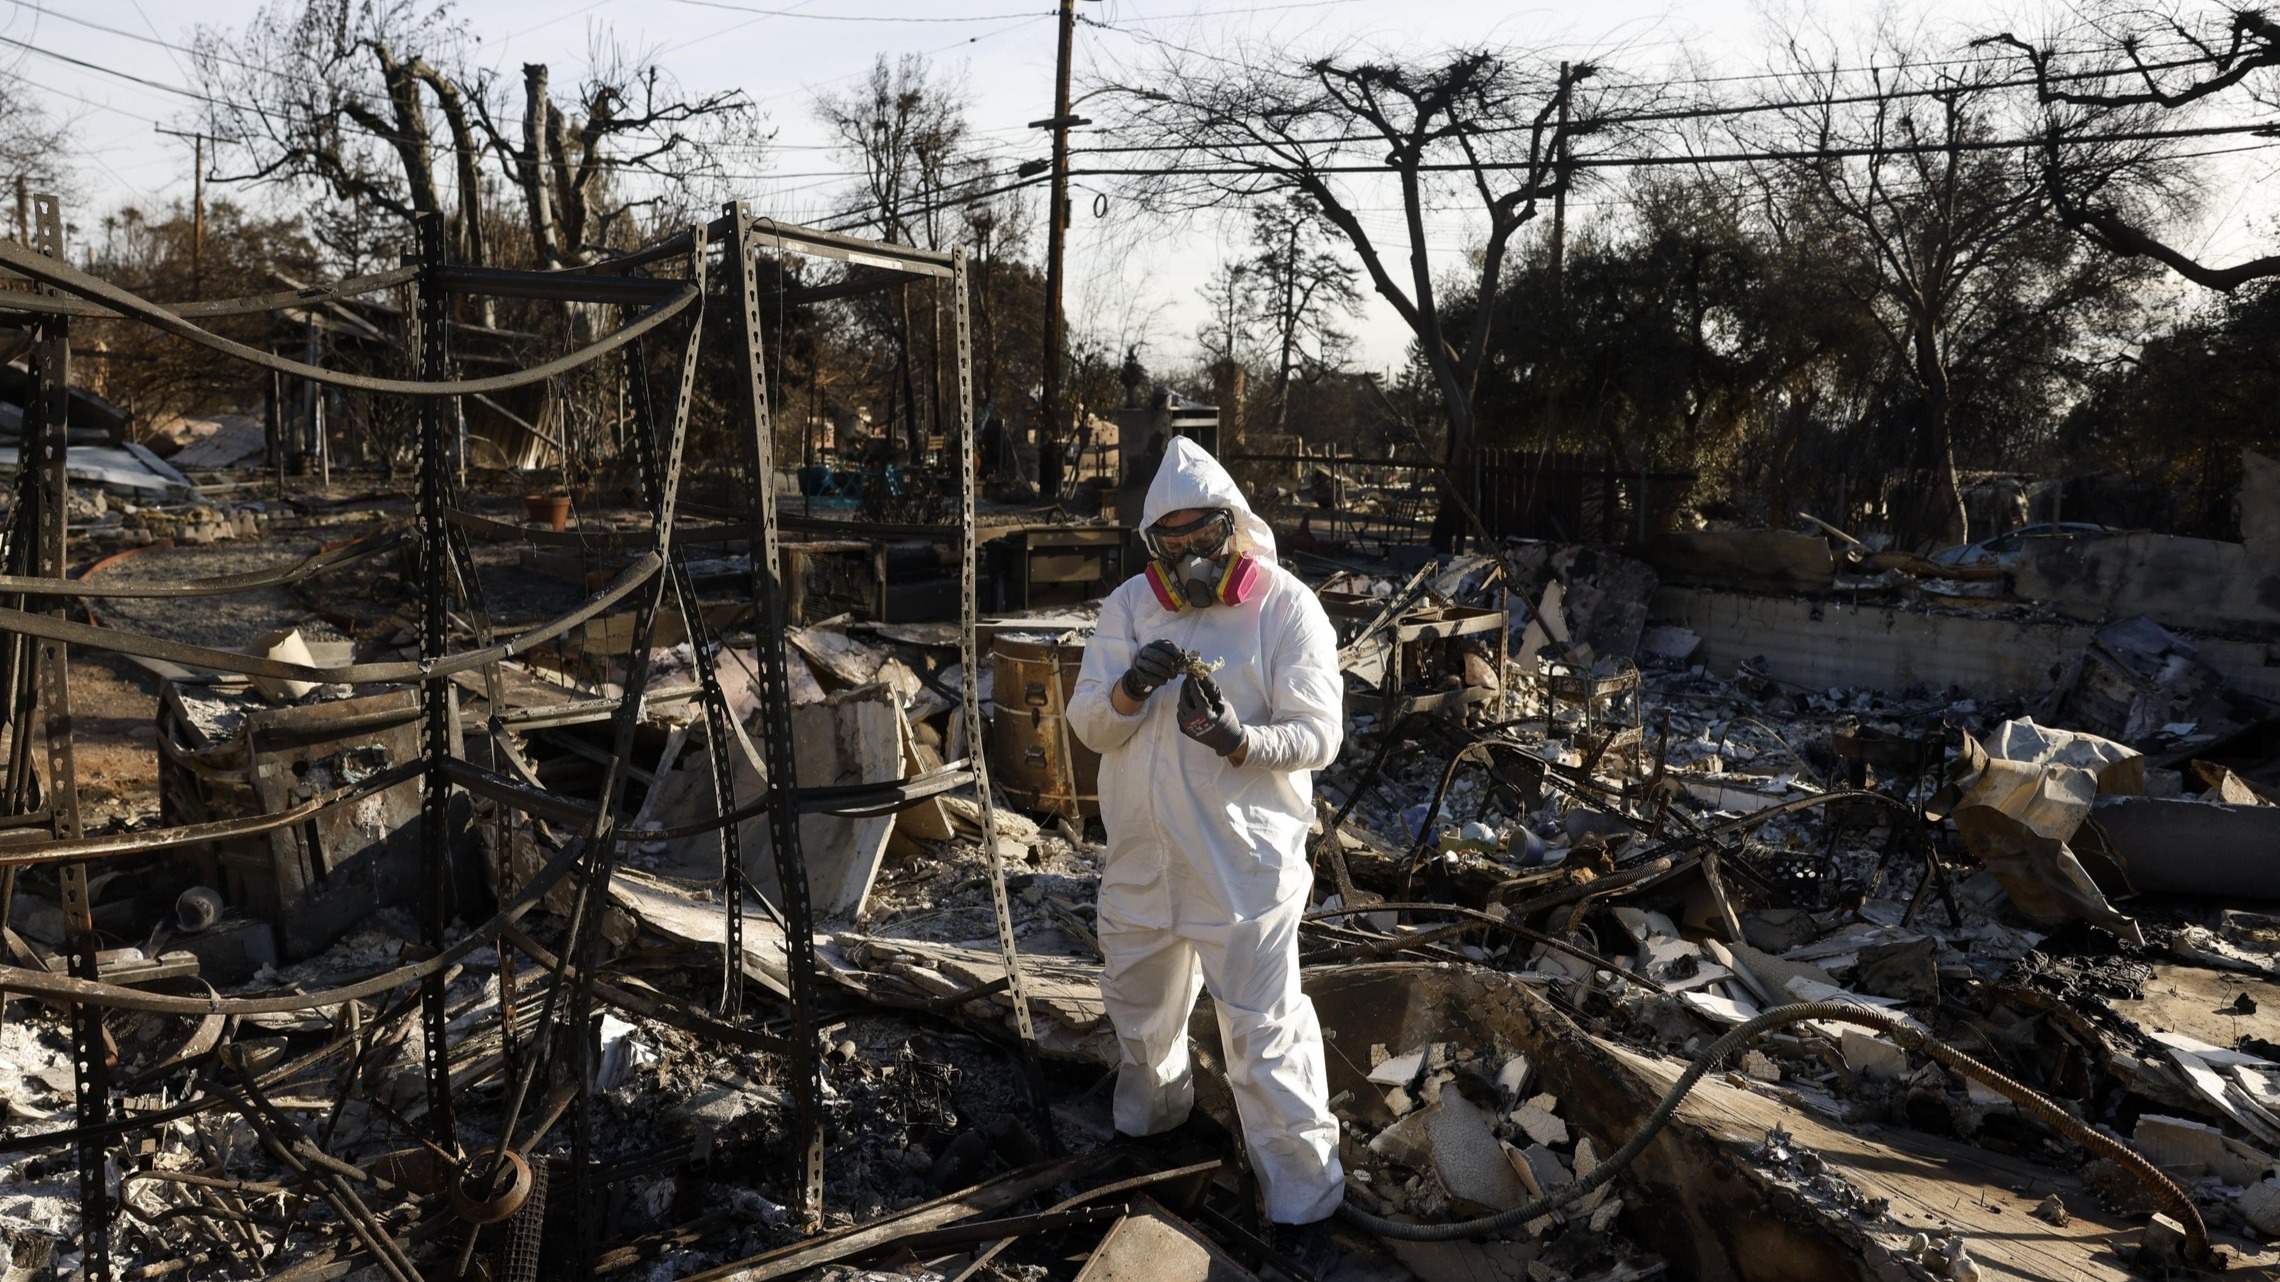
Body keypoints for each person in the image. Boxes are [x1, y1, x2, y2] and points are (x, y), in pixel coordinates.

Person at [1068, 435, 1345, 1270]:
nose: (1191, 556)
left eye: (1204, 536)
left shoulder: (1284, 608)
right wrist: (1129, 688)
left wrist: (1239, 741)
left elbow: (1320, 734)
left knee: (1264, 1034)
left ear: (1233, 526)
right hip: (1143, 862)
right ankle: (1154, 1134)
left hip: (1242, 867)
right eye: (1174, 541)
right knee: (1141, 1007)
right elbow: (1089, 724)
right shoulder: (1128, 609)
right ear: (1155, 544)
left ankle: (1304, 1204)